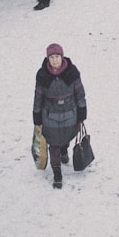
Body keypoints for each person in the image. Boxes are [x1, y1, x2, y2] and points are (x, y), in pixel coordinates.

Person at [32, 43, 87, 189]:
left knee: (66, 137)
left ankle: (64, 150)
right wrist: (37, 117)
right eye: (51, 57)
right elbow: (38, 98)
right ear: (47, 58)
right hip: (50, 117)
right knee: (53, 144)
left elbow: (80, 94)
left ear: (62, 57)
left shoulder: (72, 73)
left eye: (57, 57)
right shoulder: (42, 76)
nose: (55, 60)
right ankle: (57, 173)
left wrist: (82, 113)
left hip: (70, 115)